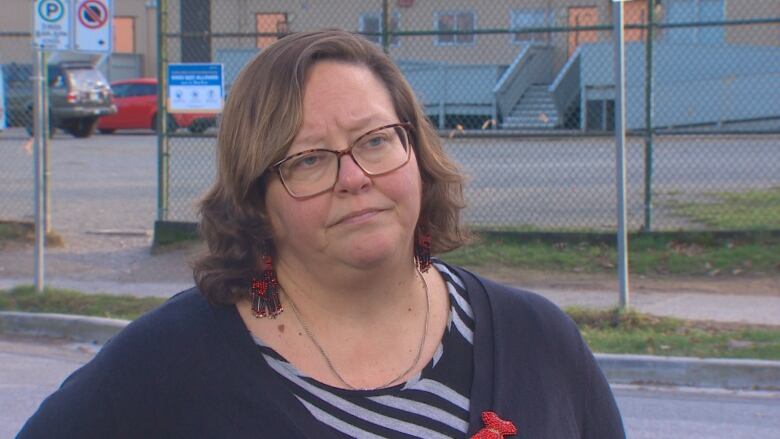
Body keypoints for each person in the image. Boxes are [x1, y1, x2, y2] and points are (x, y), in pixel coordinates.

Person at [18, 29, 625, 438]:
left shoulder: (539, 341)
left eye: (376, 140)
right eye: (308, 159)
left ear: (416, 148)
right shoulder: (166, 365)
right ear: (258, 198)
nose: (355, 178)